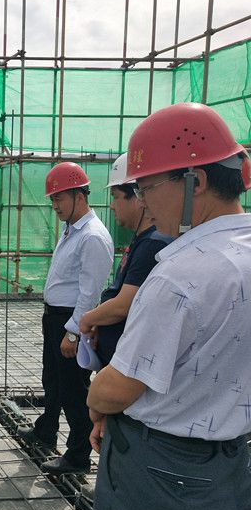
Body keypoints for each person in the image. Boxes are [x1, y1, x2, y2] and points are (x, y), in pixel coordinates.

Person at [87, 102, 251, 510]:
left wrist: (96, 400)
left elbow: (119, 388)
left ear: (195, 182)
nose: (142, 201)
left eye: (148, 187)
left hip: (162, 474)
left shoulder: (181, 274)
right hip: (231, 466)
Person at [16, 162, 113, 475]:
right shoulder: (72, 229)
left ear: (79, 196)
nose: (55, 205)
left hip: (71, 321)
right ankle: (46, 430)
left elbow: (90, 292)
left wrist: (73, 333)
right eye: (53, 199)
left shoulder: (92, 236)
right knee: (53, 380)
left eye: (59, 198)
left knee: (74, 390)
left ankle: (78, 455)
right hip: (55, 317)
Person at [78, 153, 171, 368]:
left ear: (138, 198)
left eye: (116, 197)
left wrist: (87, 319)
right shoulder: (142, 238)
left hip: (128, 361)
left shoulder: (152, 244)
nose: (112, 206)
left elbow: (123, 305)